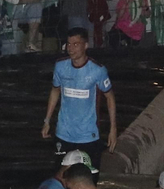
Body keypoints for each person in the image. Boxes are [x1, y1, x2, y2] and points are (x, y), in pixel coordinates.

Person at [42, 26, 117, 165]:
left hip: (88, 135)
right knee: (62, 179)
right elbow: (55, 91)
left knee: (88, 179)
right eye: (69, 44)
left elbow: (110, 97)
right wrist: (47, 121)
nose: (71, 48)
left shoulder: (97, 70)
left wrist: (113, 129)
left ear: (86, 45)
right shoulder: (60, 66)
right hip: (63, 133)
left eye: (76, 44)